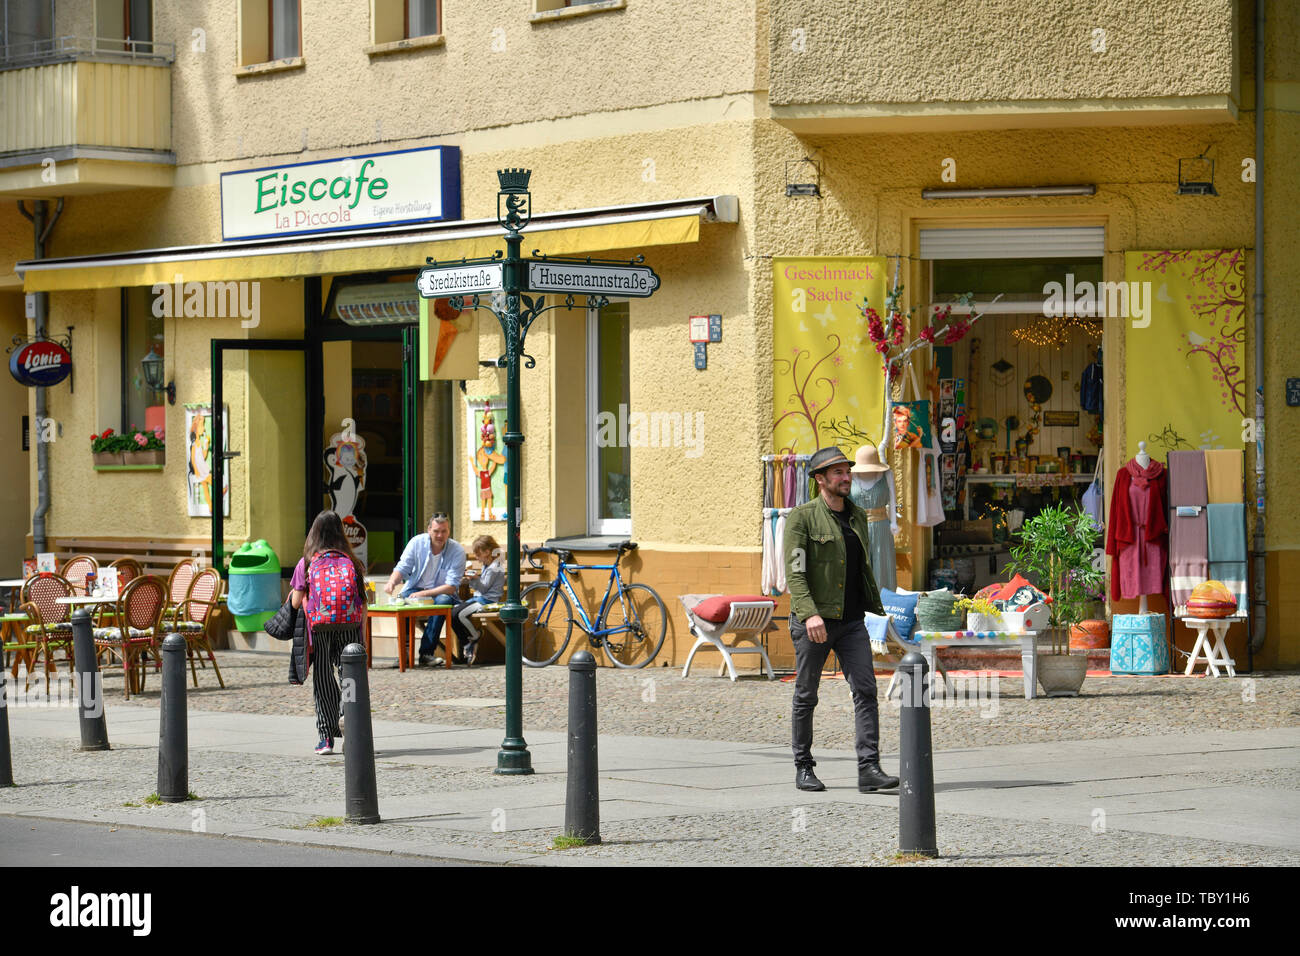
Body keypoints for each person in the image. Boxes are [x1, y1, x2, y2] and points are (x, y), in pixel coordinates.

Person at [783, 446, 899, 794]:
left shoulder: (858, 516)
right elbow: (796, 573)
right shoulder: (802, 518)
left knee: (865, 690)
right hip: (815, 623)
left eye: (847, 471)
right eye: (837, 472)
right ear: (820, 479)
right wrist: (810, 614)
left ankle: (869, 769)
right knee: (807, 695)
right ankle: (804, 766)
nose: (846, 477)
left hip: (851, 622)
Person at [290, 510, 367, 755]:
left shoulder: (308, 561)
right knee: (350, 675)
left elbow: (295, 603)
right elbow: (363, 603)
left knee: (323, 677)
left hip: (320, 627)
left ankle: (325, 738)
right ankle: (348, 719)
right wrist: (360, 631)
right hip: (349, 627)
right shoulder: (352, 561)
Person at [385, 512, 466, 665]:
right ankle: (405, 654)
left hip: (440, 593)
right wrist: (391, 582)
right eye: (436, 531)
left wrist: (423, 593)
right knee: (403, 601)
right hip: (415, 588)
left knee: (443, 601)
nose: (440, 535)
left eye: (444, 531)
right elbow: (403, 567)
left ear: (449, 531)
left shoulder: (457, 551)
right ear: (429, 529)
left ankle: (426, 653)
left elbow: (450, 587)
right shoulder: (417, 543)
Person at [448, 535, 505, 665]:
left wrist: (474, 578)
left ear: (487, 552)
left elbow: (484, 588)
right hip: (478, 598)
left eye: (478, 555)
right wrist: (469, 579)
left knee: (460, 614)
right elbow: (481, 585)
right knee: (451, 613)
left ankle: (475, 636)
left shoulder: (494, 567)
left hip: (487, 601)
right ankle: (467, 643)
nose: (477, 558)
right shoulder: (488, 564)